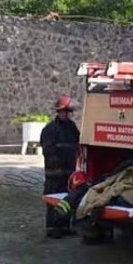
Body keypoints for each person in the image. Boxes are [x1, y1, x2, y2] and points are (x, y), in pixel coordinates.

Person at [41, 95, 80, 239]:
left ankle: (65, 225)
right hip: (54, 172)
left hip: (69, 171)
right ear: (60, 112)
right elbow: (48, 150)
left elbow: (78, 144)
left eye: (70, 111)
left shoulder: (72, 127)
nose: (69, 114)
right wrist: (58, 164)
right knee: (53, 198)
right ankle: (52, 227)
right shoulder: (50, 129)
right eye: (67, 111)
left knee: (66, 198)